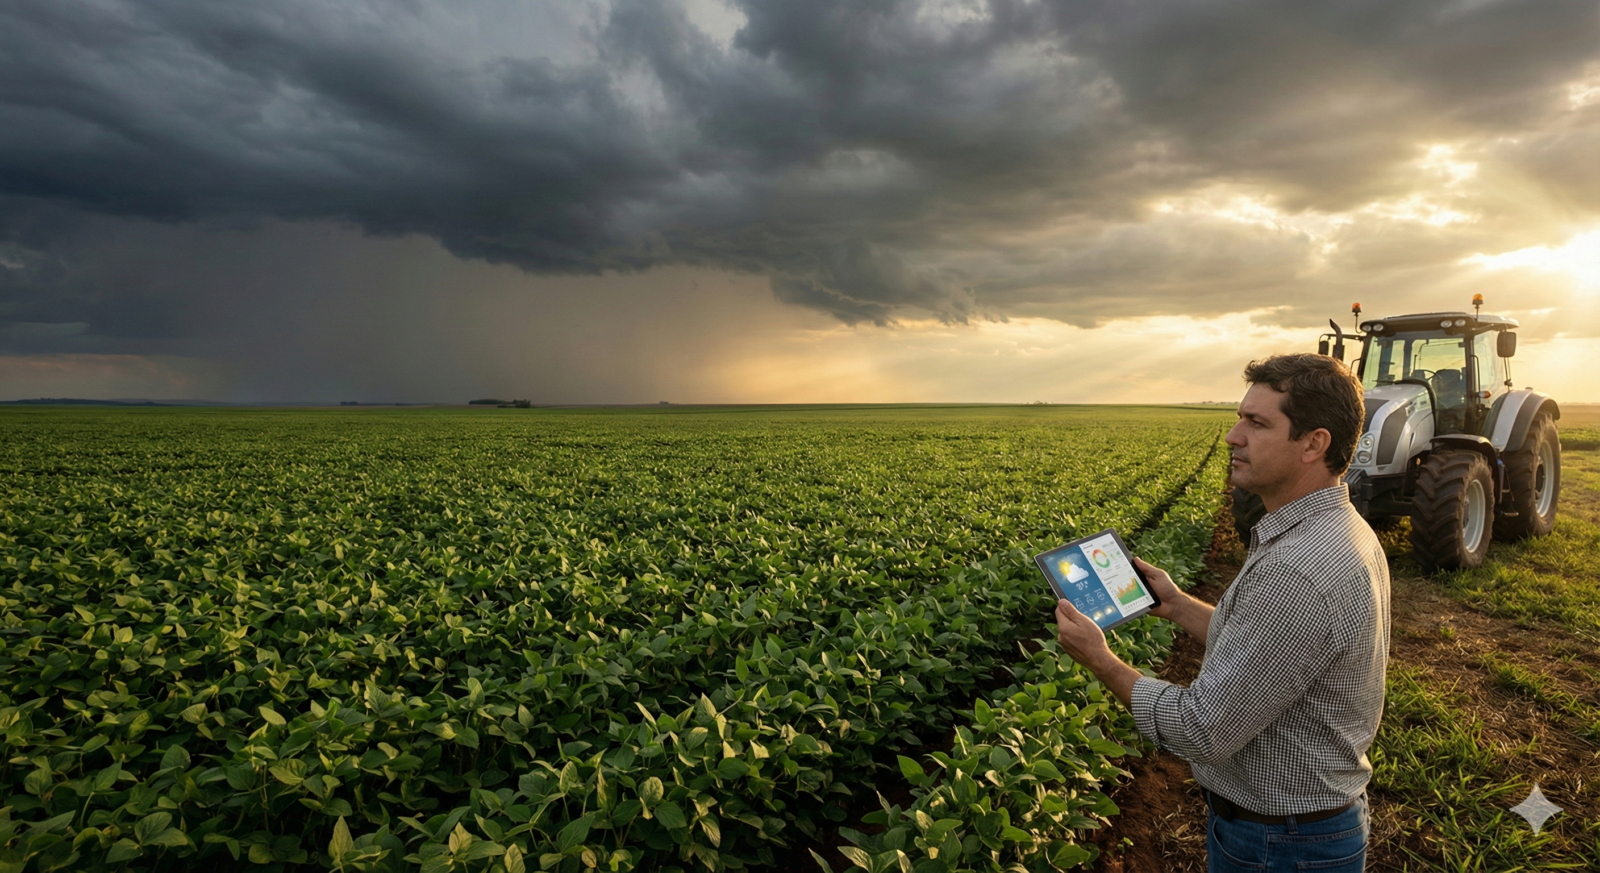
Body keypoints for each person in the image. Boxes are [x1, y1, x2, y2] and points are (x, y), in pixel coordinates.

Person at [1052, 353, 1389, 873]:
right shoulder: (1337, 529)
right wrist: (1179, 605)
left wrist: (1102, 661)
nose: (1233, 436)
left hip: (1280, 847)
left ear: (1313, 444)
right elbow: (1271, 655)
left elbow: (1202, 732)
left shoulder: (1297, 570)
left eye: (1257, 423)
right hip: (1299, 830)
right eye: (1240, 417)